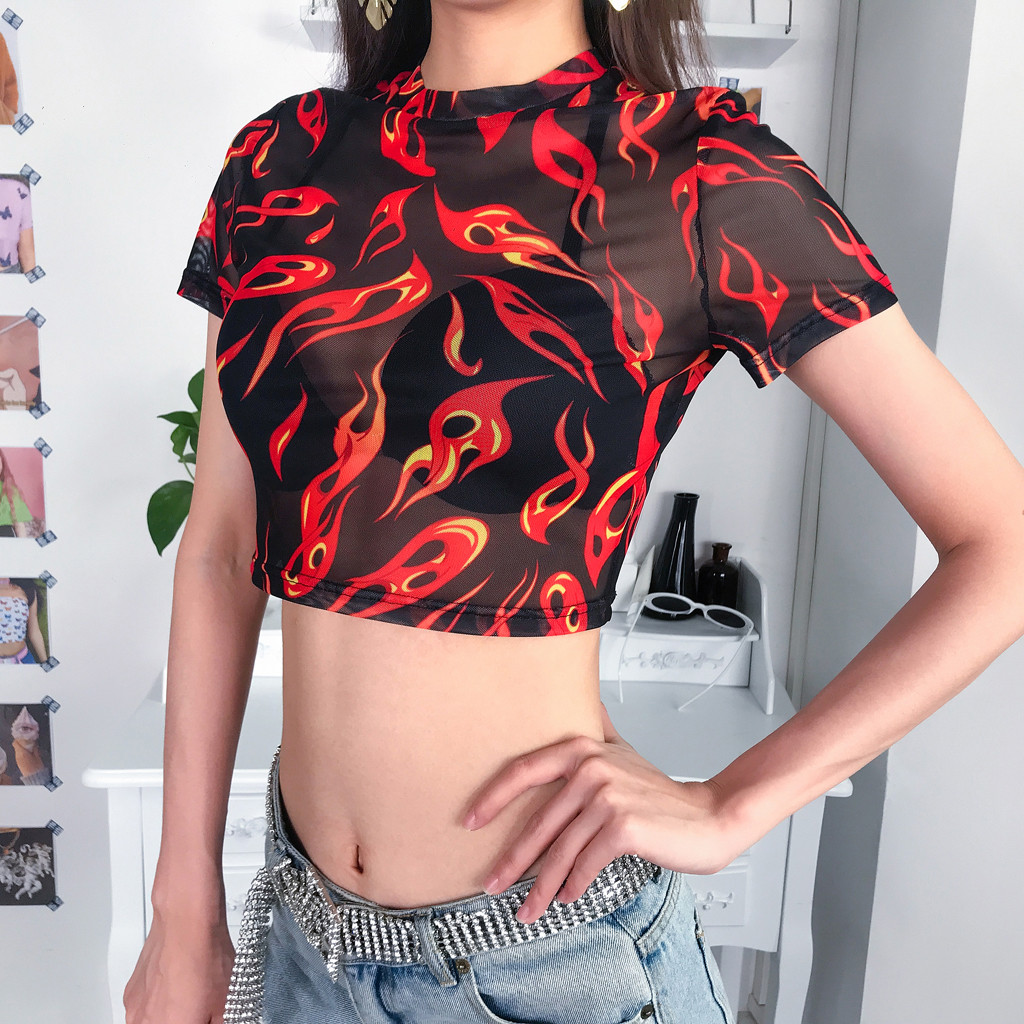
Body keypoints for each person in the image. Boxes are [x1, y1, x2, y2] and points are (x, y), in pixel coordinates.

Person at [124, 1, 1024, 1022]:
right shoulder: (280, 161)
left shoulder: (698, 173)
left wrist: (734, 803)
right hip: (307, 948)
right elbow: (221, 547)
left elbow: (1001, 542)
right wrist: (181, 903)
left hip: (555, 960)